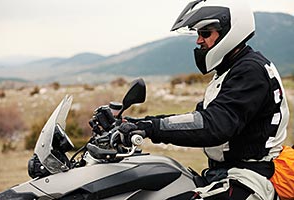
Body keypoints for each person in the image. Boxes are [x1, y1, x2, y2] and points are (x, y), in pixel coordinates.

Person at [119, 0, 289, 199]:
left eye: (205, 33)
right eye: (198, 34)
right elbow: (199, 119)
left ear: (229, 31)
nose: (199, 41)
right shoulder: (231, 69)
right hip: (226, 173)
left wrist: (149, 127)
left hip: (250, 177)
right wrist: (135, 123)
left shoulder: (250, 70)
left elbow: (214, 125)